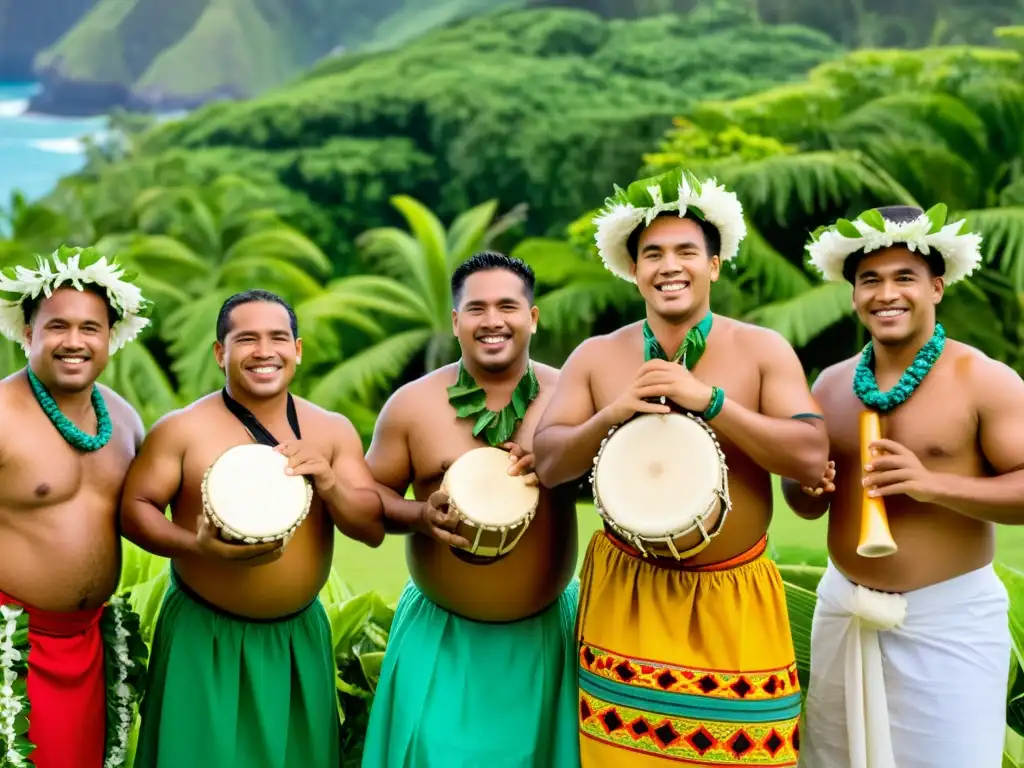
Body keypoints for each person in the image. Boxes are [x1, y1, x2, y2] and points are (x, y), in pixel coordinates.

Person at [532, 169, 830, 766]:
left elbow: (809, 453)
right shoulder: (597, 357)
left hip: (736, 597)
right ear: (633, 269)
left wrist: (710, 401)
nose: (669, 265)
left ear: (714, 265)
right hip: (627, 597)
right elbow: (547, 462)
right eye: (653, 254)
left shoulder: (762, 349)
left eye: (686, 251)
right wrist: (609, 415)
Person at [782, 204, 1017, 768]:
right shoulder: (832, 384)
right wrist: (807, 488)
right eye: (870, 280)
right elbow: (803, 501)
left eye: (904, 277)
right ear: (854, 294)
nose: (886, 293)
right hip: (845, 608)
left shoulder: (982, 378)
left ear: (936, 287)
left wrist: (933, 485)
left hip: (949, 620)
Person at [120, 288, 385, 767]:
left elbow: (369, 527)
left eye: (278, 338)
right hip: (204, 637)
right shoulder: (181, 430)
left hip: (296, 641)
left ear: (297, 351)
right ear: (221, 353)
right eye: (247, 339)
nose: (264, 351)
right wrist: (196, 546)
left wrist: (328, 480)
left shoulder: (332, 430)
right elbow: (135, 508)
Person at [360, 251, 580, 768]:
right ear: (457, 321)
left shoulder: (573, 398)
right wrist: (419, 515)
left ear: (533, 316)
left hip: (545, 635)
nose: (493, 320)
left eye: (508, 305)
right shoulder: (412, 405)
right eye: (476, 308)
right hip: (443, 636)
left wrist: (556, 460)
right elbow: (368, 501)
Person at [0, 246, 150, 768]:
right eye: (57, 326)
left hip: (91, 643)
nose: (74, 341)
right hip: (12, 647)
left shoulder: (125, 420)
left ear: (110, 338)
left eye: (90, 328)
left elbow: (147, 516)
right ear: (27, 333)